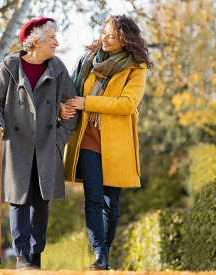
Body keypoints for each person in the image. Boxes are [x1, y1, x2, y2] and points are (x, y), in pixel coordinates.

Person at [0, 17, 78, 269]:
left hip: (47, 147)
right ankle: (23, 258)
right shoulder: (9, 66)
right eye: (52, 39)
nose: (57, 43)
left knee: (41, 203)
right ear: (35, 42)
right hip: (16, 145)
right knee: (18, 201)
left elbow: (72, 109)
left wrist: (58, 140)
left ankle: (36, 257)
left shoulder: (58, 68)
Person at [61, 15, 152, 270]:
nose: (105, 38)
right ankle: (100, 255)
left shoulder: (136, 68)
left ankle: (106, 252)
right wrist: (65, 106)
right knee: (94, 198)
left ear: (125, 40)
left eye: (112, 36)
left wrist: (88, 103)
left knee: (112, 203)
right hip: (87, 138)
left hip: (116, 143)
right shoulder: (89, 60)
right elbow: (72, 91)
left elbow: (127, 104)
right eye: (104, 33)